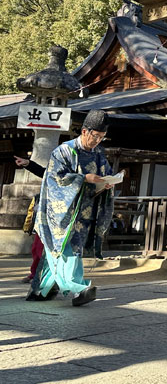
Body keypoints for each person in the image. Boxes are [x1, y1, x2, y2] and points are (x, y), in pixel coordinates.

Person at [27, 110, 115, 306]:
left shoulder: (99, 155)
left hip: (84, 211)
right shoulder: (63, 151)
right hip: (59, 211)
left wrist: (107, 183)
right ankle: (78, 287)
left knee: (61, 249)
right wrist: (84, 178)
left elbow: (105, 173)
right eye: (95, 136)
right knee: (66, 247)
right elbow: (55, 178)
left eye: (102, 137)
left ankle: (41, 290)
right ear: (85, 131)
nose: (98, 141)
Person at [15, 156, 45, 283]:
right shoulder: (55, 171)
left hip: (61, 214)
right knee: (36, 247)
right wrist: (28, 163)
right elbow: (44, 172)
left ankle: (43, 276)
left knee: (43, 248)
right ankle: (35, 273)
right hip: (44, 211)